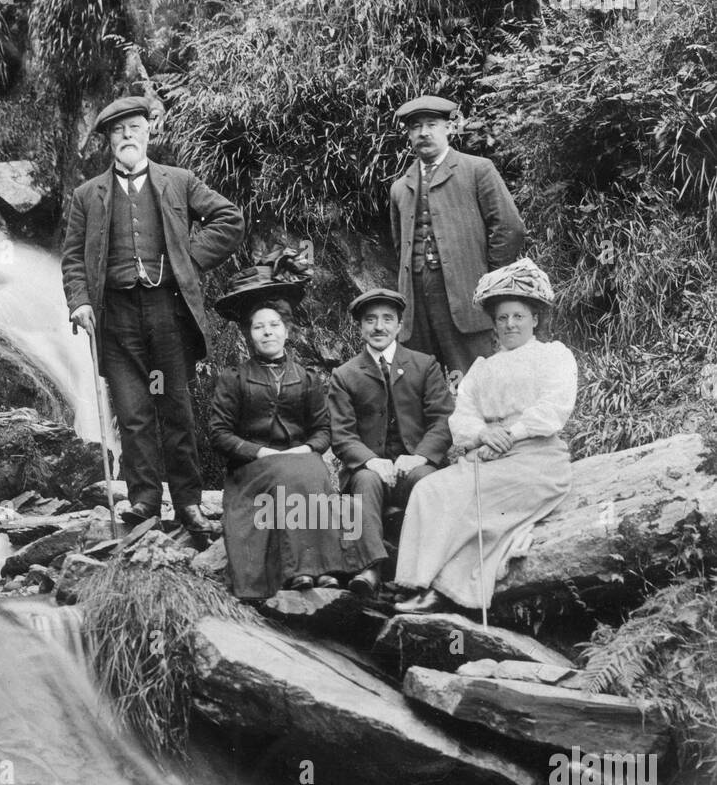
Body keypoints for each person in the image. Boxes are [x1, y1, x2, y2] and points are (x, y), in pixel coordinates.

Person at [61, 94, 244, 533]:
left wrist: (187, 258)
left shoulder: (178, 180)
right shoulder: (88, 195)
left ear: (148, 133)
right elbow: (71, 258)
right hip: (116, 318)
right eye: (118, 131)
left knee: (173, 407)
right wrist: (80, 300)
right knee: (133, 411)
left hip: (167, 315)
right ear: (108, 140)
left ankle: (189, 504)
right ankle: (143, 500)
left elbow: (229, 219)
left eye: (135, 128)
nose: (127, 136)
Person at [393, 258, 577, 614]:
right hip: (488, 455)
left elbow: (553, 407)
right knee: (431, 489)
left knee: (476, 500)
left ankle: (445, 590)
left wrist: (510, 432)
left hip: (537, 459)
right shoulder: (482, 369)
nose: (510, 324)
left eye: (518, 316)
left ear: (535, 318)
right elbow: (462, 417)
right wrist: (482, 433)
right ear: (493, 323)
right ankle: (413, 581)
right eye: (502, 318)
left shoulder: (553, 356)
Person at [210, 266, 368, 600]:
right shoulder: (233, 379)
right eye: (259, 327)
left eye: (274, 326)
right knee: (293, 471)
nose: (267, 333)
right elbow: (219, 433)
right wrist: (259, 452)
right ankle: (300, 570)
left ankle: (325, 569)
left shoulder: (308, 379)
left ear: (286, 330)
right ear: (249, 335)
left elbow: (323, 429)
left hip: (298, 460)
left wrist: (307, 448)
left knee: (312, 467)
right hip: (251, 472)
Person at [389, 94, 526, 382]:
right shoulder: (400, 188)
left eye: (431, 124)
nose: (423, 133)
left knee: (478, 383)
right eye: (415, 127)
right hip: (416, 307)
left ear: (449, 128)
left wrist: (488, 283)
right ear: (409, 135)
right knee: (420, 387)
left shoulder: (477, 169)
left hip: (467, 300)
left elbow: (509, 228)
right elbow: (399, 246)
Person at [328, 288, 455, 598]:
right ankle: (371, 568)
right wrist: (371, 460)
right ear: (360, 328)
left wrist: (421, 457)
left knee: (427, 482)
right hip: (369, 468)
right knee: (366, 482)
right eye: (370, 320)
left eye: (387, 319)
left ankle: (423, 576)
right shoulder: (345, 375)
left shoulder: (424, 365)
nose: (379, 327)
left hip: (414, 466)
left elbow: (443, 420)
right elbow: (341, 434)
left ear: (399, 325)